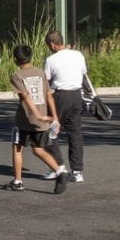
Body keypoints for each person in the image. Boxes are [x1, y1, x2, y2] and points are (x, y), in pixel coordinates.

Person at [2, 44, 69, 194]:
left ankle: (18, 181)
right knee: (38, 149)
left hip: (24, 119)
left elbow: (25, 97)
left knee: (17, 147)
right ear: (30, 56)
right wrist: (55, 117)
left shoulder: (16, 76)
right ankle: (60, 172)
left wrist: (37, 115)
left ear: (15, 59)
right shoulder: (40, 72)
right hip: (42, 120)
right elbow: (48, 95)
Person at [43, 30, 87, 183]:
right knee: (75, 134)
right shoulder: (78, 55)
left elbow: (46, 81)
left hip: (60, 96)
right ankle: (77, 171)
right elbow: (83, 73)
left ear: (53, 45)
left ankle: (57, 166)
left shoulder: (51, 60)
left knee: (51, 130)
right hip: (76, 96)